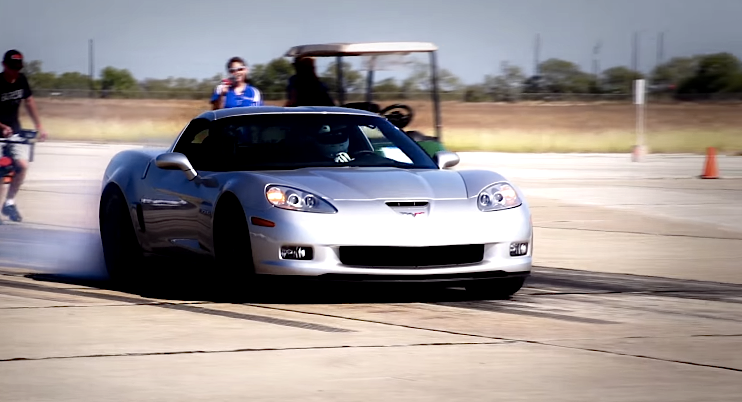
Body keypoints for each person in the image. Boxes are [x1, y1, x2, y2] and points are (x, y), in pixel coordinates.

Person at [0, 49, 48, 224]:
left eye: (18, 68)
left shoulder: (21, 80)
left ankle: (10, 202)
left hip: (14, 131)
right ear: (4, 65)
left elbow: (29, 102)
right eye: (12, 68)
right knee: (0, 170)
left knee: (22, 165)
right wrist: (1, 126)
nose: (15, 72)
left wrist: (39, 126)